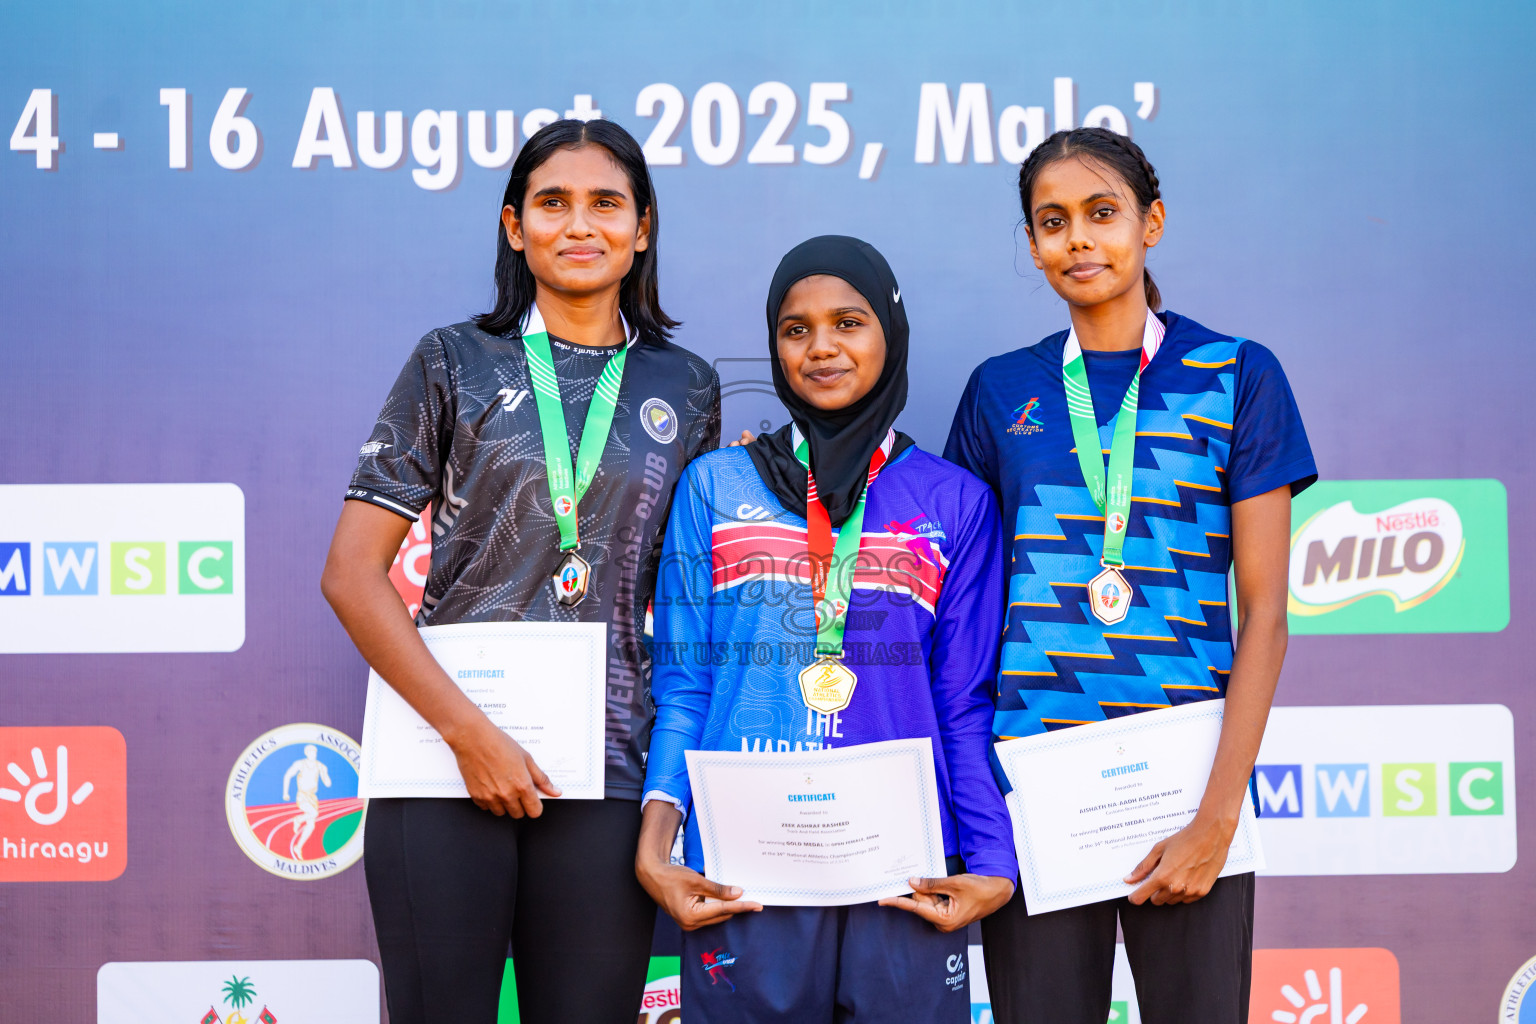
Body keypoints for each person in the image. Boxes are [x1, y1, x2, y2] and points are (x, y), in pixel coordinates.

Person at [320, 118, 721, 1024]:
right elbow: (351, 574)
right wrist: (470, 736)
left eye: (605, 203)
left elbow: (680, 596)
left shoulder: (688, 384)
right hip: (444, 759)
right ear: (514, 225)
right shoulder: (452, 359)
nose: (579, 224)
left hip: (606, 767)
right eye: (552, 203)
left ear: (643, 228)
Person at [944, 127, 1317, 1024]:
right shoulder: (1000, 390)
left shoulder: (1238, 375)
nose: (1078, 239)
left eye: (1102, 213)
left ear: (1151, 223)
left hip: (1188, 791)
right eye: (1053, 222)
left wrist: (1217, 819)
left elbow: (1266, 616)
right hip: (1036, 792)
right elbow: (962, 603)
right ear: (1032, 244)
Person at [636, 235, 1017, 1023]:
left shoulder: (955, 500)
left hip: (904, 874)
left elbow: (961, 703)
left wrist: (992, 861)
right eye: (795, 329)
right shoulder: (714, 487)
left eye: (848, 322)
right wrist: (656, 843)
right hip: (745, 871)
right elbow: (684, 686)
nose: (821, 347)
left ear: (891, 333)